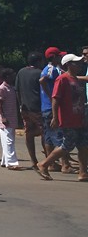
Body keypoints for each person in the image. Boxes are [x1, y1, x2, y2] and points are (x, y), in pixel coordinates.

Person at [36, 54, 88, 182]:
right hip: (68, 118)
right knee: (67, 145)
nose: (79, 65)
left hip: (79, 117)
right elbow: (55, 99)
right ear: (68, 65)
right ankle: (44, 164)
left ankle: (83, 173)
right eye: (76, 63)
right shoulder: (62, 79)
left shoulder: (76, 79)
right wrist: (55, 117)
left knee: (83, 145)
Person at [39, 47, 73, 174]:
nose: (60, 58)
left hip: (46, 107)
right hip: (52, 107)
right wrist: (51, 95)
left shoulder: (51, 69)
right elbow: (42, 81)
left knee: (49, 137)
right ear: (53, 57)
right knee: (60, 136)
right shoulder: (51, 69)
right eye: (58, 56)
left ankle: (51, 163)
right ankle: (65, 164)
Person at [15, 51, 45, 170]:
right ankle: (49, 160)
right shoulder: (40, 73)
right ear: (38, 61)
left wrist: (20, 105)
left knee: (29, 132)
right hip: (38, 107)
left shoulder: (21, 72)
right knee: (44, 132)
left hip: (25, 107)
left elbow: (17, 90)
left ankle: (33, 160)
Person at [0, 66, 24, 170]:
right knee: (9, 140)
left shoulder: (11, 88)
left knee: (7, 140)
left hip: (12, 117)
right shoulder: (1, 88)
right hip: (5, 118)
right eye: (12, 75)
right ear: (6, 76)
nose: (13, 77)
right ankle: (12, 163)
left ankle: (5, 160)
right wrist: (3, 117)